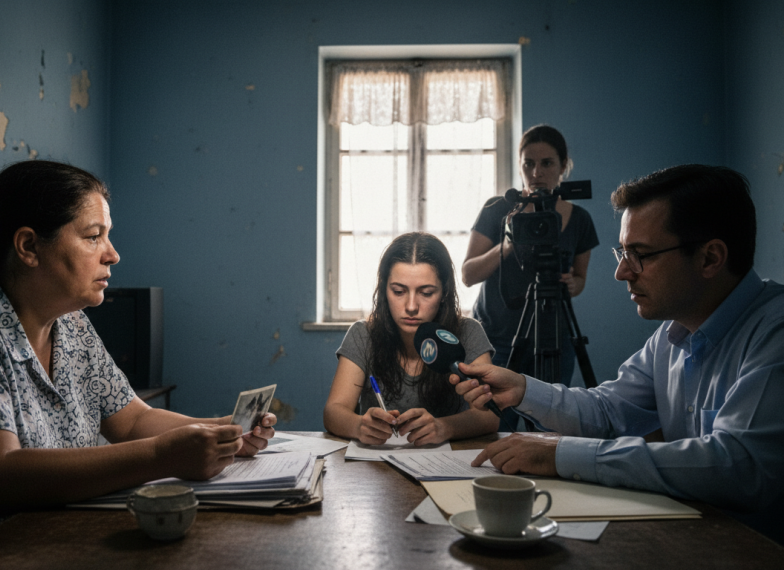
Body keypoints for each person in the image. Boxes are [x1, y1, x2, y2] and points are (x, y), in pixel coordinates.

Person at [0, 160, 277, 566]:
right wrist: (162, 457)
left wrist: (225, 431)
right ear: (29, 246)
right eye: (93, 236)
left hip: (62, 544)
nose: (113, 255)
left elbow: (132, 421)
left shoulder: (71, 325)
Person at [451, 164, 784, 544]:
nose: (622, 272)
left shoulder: (775, 332)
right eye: (622, 252)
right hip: (699, 541)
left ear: (710, 258)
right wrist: (523, 389)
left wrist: (561, 453)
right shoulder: (671, 335)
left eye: (640, 254)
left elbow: (739, 466)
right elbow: (609, 412)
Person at [323, 232, 500, 446]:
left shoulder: (468, 332)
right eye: (398, 291)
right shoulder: (363, 334)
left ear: (444, 292)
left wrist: (444, 427)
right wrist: (360, 426)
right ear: (383, 290)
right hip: (375, 469)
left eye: (426, 293)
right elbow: (333, 411)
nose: (411, 307)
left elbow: (490, 416)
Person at [462, 124, 599, 386]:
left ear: (563, 166)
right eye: (528, 164)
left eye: (547, 163)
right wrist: (510, 241)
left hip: (553, 338)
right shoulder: (498, 209)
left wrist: (573, 284)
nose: (536, 173)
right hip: (496, 338)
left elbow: (579, 279)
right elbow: (468, 275)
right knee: (496, 422)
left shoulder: (580, 219)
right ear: (520, 166)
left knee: (552, 421)